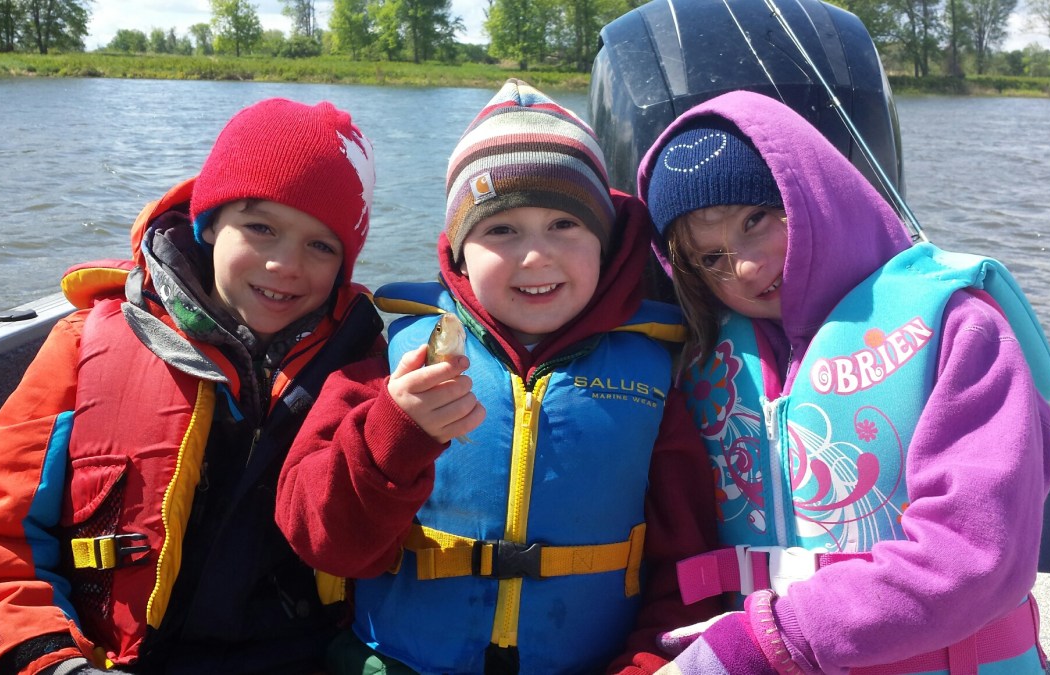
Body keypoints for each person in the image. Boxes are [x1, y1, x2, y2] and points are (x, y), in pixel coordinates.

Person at [275, 78, 720, 675]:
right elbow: (319, 540)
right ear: (459, 252)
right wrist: (392, 435)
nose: (535, 256)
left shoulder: (656, 376)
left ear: (606, 242)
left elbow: (689, 567)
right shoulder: (390, 360)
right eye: (501, 229)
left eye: (565, 224)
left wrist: (645, 665)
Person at [0, 98, 384, 675]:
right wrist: (52, 661)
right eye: (260, 227)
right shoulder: (81, 344)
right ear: (210, 224)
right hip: (111, 660)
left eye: (321, 245)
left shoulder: (366, 367)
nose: (285, 264)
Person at [636, 89, 1050, 674]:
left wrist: (773, 639)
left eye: (756, 220)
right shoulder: (705, 361)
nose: (745, 267)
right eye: (711, 258)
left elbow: (976, 553)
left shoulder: (962, 328)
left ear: (812, 195)